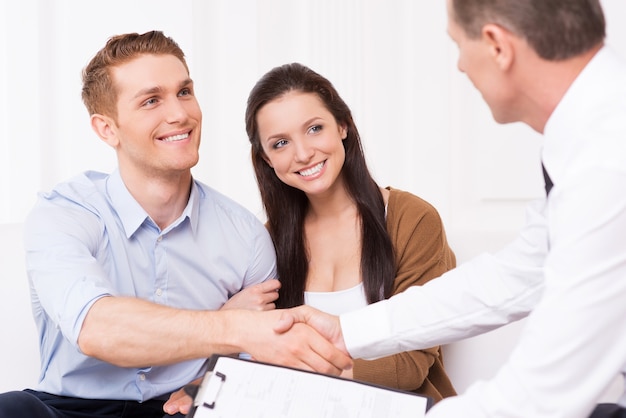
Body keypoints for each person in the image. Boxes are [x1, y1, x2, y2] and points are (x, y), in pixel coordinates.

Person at [277, 0, 626, 417]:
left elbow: (540, 397)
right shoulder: (593, 134)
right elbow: (515, 277)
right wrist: (347, 331)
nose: (460, 66)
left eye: (459, 45)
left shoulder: (608, 162)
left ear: (497, 45)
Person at [0, 30, 350, 418]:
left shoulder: (245, 235)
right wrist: (230, 323)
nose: (179, 114)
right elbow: (98, 329)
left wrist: (208, 376)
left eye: (184, 92)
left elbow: (259, 365)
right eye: (151, 100)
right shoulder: (63, 214)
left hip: (184, 408)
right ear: (107, 128)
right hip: (68, 410)